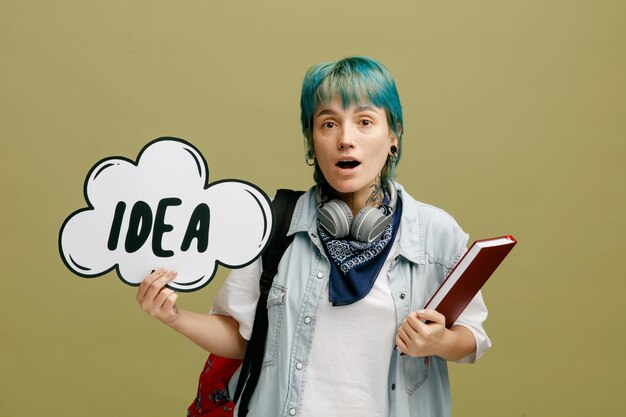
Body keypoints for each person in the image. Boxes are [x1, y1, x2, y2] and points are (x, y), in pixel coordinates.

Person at [136, 56, 491, 417]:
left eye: (365, 121)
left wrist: (441, 341)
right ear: (311, 139)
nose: (345, 139)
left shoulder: (435, 233)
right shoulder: (274, 225)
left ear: (393, 136)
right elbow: (241, 336)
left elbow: (472, 337)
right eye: (328, 124)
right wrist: (174, 316)